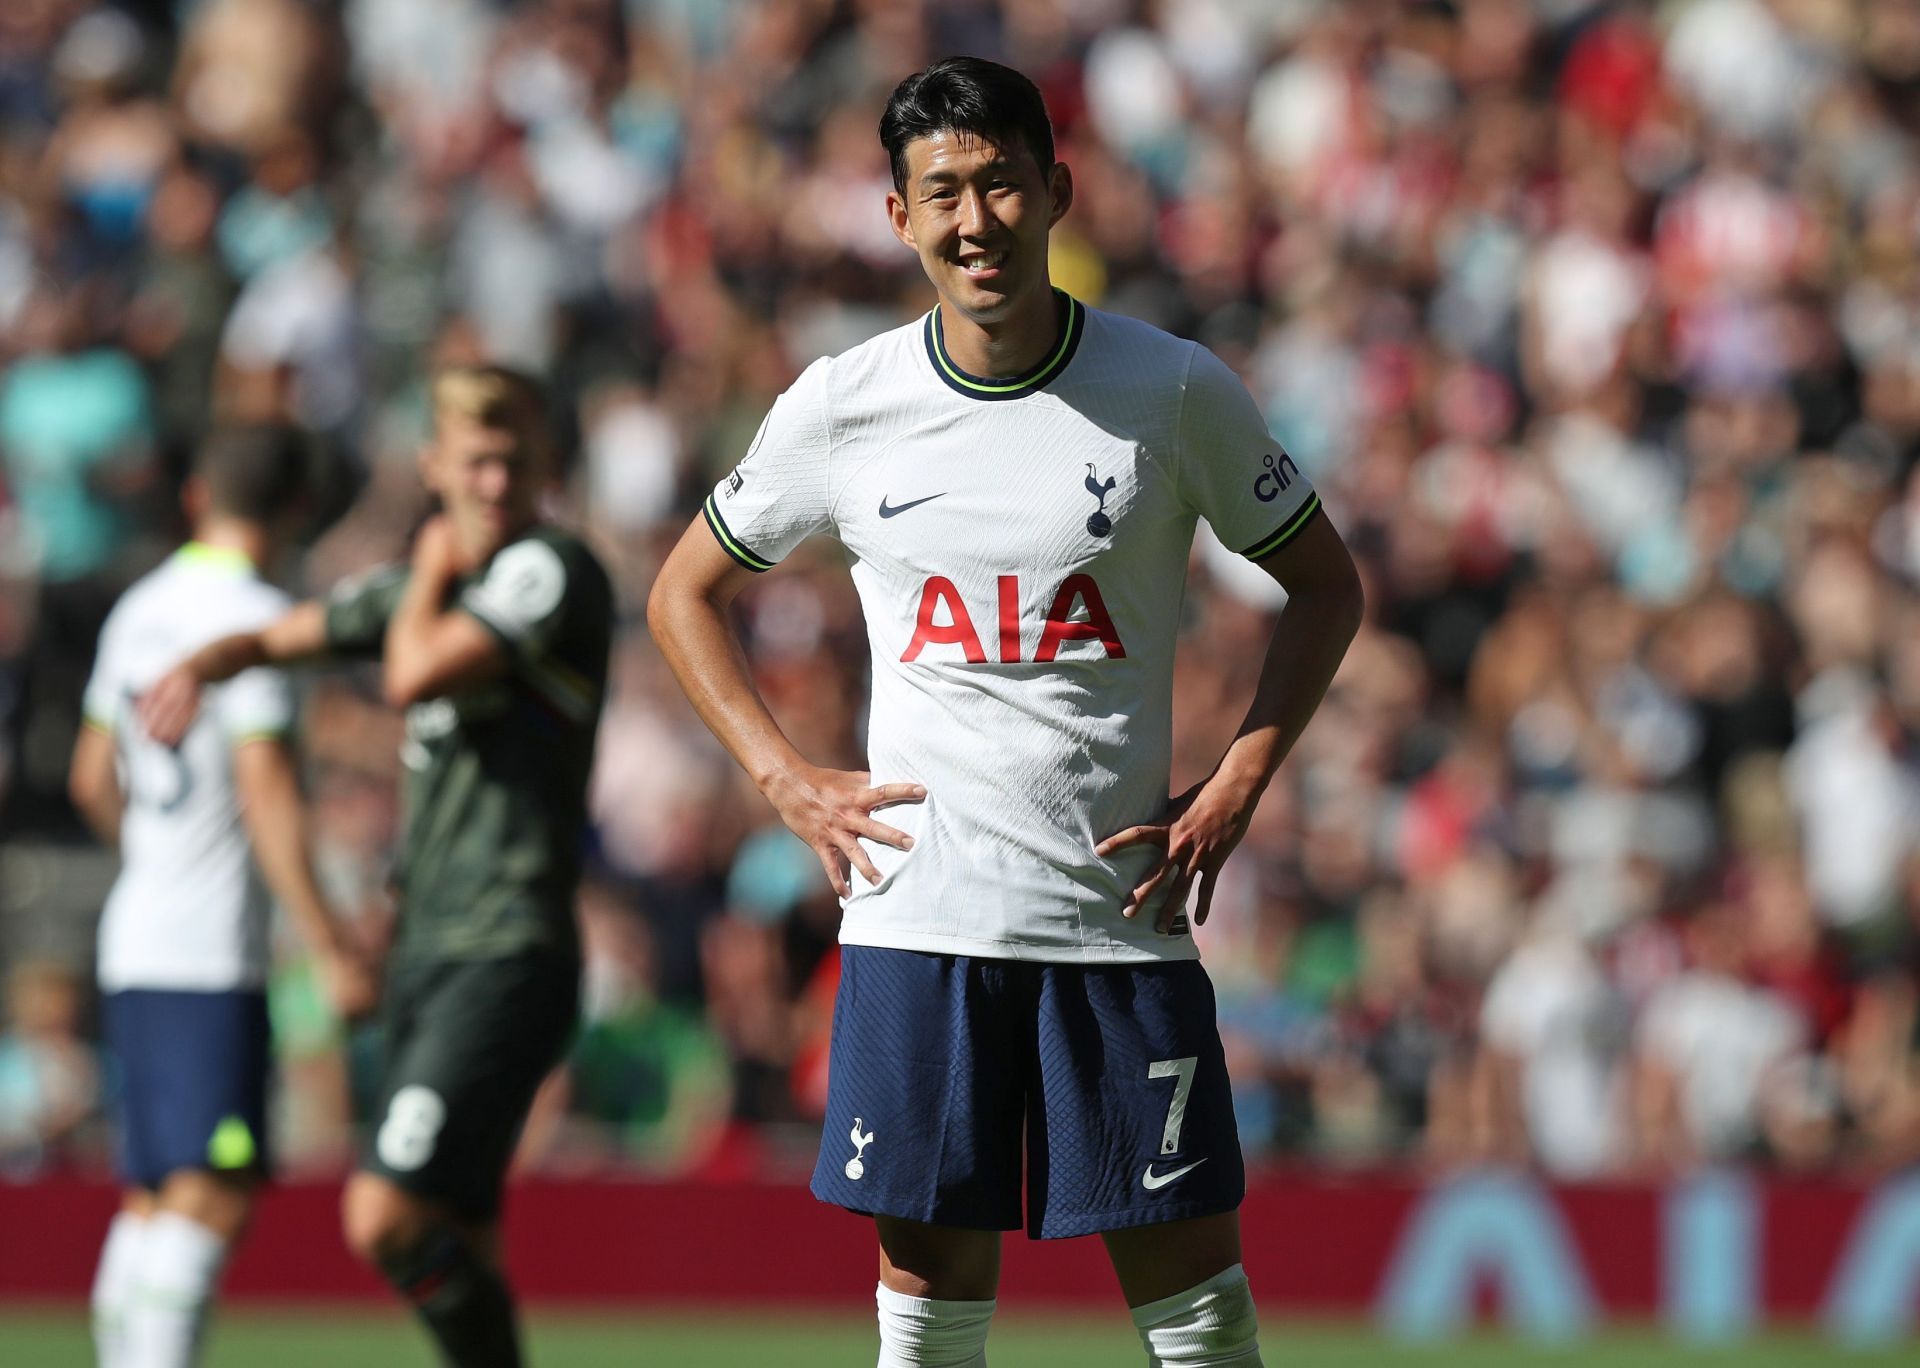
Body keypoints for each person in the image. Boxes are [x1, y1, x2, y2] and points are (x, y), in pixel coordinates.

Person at [648, 57, 1364, 1368]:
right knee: (927, 1331)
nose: (974, 220)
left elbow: (1325, 584)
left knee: (1202, 1328)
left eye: (998, 185)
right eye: (942, 193)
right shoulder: (843, 405)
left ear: (1054, 192)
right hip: (921, 922)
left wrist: (1241, 779)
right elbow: (683, 592)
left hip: (1115, 927)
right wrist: (782, 777)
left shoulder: (1174, 391)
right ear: (899, 218)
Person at [138, 367, 613, 1368]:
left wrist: (434, 564)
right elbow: (286, 634)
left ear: (544, 469)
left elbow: (411, 671)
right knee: (462, 1231)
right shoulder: (417, 592)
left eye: (514, 462)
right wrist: (202, 664)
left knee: (384, 1217)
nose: (494, 483)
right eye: (475, 461)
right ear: (434, 465)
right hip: (429, 951)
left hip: (506, 947)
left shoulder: (550, 571)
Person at [68, 424, 378, 1368]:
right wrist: (329, 943)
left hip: (135, 933)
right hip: (207, 951)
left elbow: (90, 777)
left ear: (198, 498)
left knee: (159, 1195)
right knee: (212, 1194)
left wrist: (156, 856)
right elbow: (267, 789)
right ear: (294, 511)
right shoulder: (254, 617)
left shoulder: (138, 608)